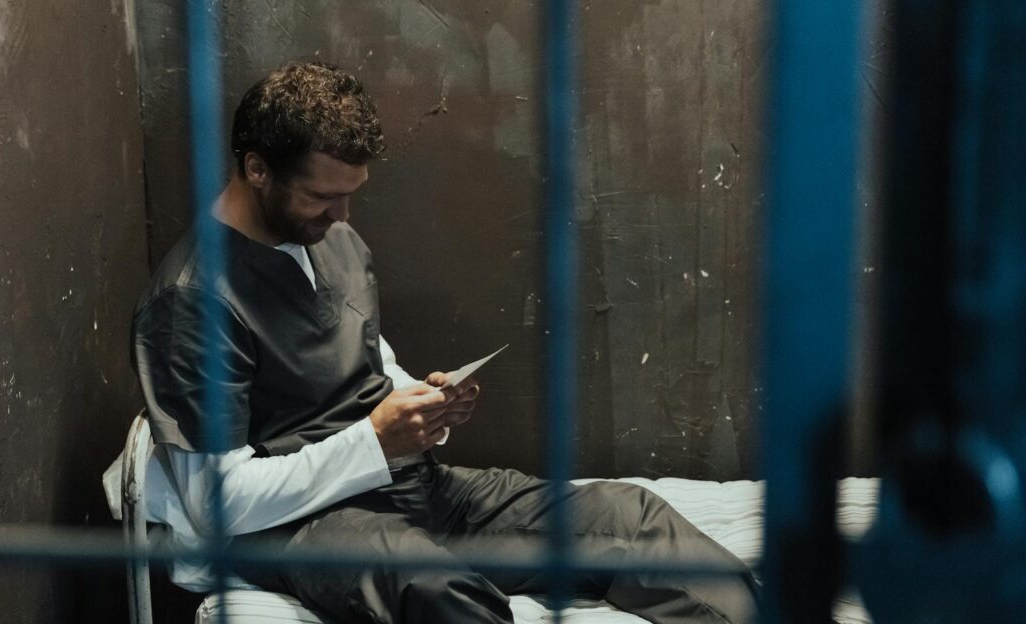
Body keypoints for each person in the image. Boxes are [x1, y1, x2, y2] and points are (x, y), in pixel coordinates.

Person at [121, 61, 757, 623]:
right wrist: (375, 439)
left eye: (350, 197)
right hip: (297, 524)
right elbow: (216, 507)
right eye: (322, 197)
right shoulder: (191, 303)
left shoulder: (330, 238)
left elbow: (369, 359)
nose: (342, 219)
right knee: (441, 590)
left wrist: (423, 404)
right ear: (256, 168)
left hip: (404, 482)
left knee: (633, 520)